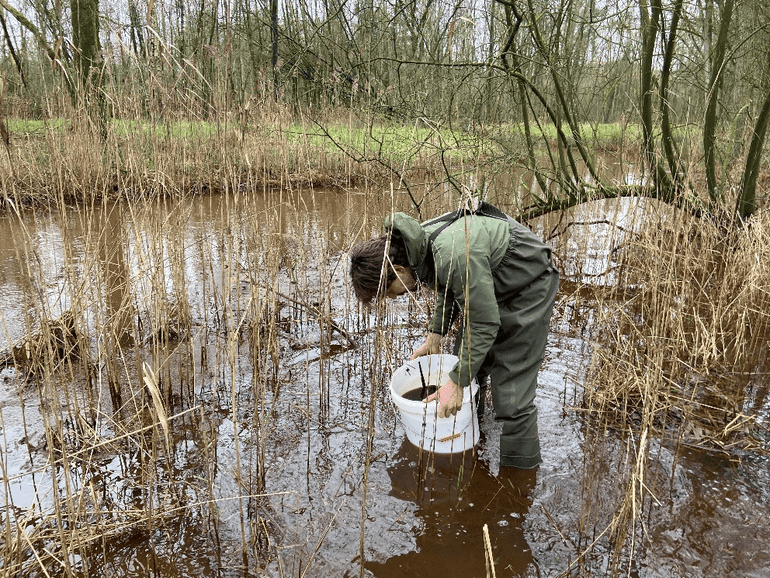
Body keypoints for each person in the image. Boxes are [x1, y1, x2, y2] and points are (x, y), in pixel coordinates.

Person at [350, 201, 559, 469]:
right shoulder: (412, 248)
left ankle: (518, 481)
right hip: (489, 282)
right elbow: (448, 284)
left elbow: (484, 322)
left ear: (398, 271)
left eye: (388, 291)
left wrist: (457, 383)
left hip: (528, 285)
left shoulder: (454, 254)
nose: (391, 298)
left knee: (511, 395)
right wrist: (435, 334)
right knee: (470, 359)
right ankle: (474, 437)